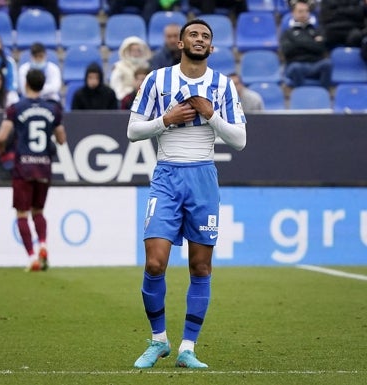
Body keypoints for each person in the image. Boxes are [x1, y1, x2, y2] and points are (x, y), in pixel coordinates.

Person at [127, 19, 246, 369]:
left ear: (211, 48)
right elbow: (133, 130)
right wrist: (166, 120)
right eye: (193, 34)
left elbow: (239, 140)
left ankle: (187, 348)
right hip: (166, 175)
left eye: (206, 37)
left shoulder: (222, 86)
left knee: (200, 266)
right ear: (180, 43)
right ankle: (158, 340)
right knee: (154, 261)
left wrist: (211, 115)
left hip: (203, 177)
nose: (200, 39)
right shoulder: (157, 80)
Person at [0, 69, 67, 271]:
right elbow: (61, 139)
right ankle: (43, 244)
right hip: (44, 166)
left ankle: (32, 256)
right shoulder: (53, 109)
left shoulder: (16, 108)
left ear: (26, 83)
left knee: (22, 214)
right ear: (43, 85)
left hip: (23, 166)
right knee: (39, 211)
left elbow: (2, 136)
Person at [280, 0, 332, 89]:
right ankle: (300, 95)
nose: (304, 14)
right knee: (295, 68)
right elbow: (287, 50)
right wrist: (312, 43)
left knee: (327, 64)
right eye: (300, 11)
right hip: (296, 64)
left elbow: (321, 48)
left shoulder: (316, 30)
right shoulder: (287, 32)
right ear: (293, 13)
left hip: (316, 64)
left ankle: (324, 94)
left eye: (306, 11)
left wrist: (298, 42)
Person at [110, 36, 152, 101]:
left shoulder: (146, 66)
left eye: (138, 50)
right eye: (133, 50)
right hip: (124, 99)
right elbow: (115, 86)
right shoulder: (119, 67)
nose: (135, 53)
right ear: (127, 51)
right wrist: (125, 97)